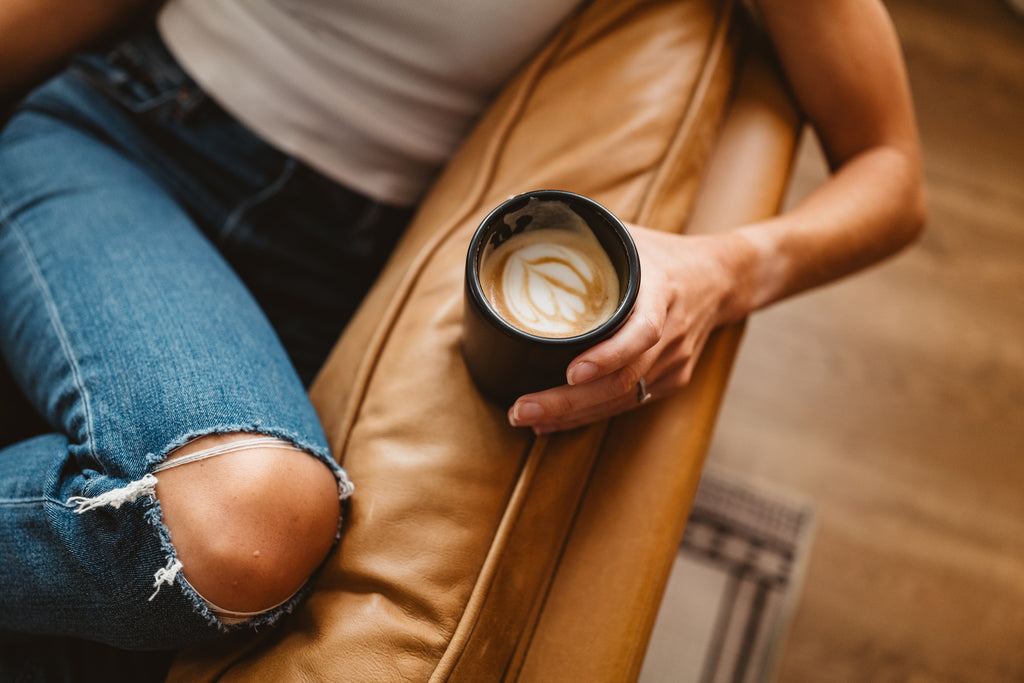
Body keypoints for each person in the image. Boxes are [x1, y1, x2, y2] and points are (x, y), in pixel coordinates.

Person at [0, 0, 925, 676]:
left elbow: (892, 176)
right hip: (122, 142)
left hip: (354, 263)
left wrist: (722, 274)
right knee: (242, 522)